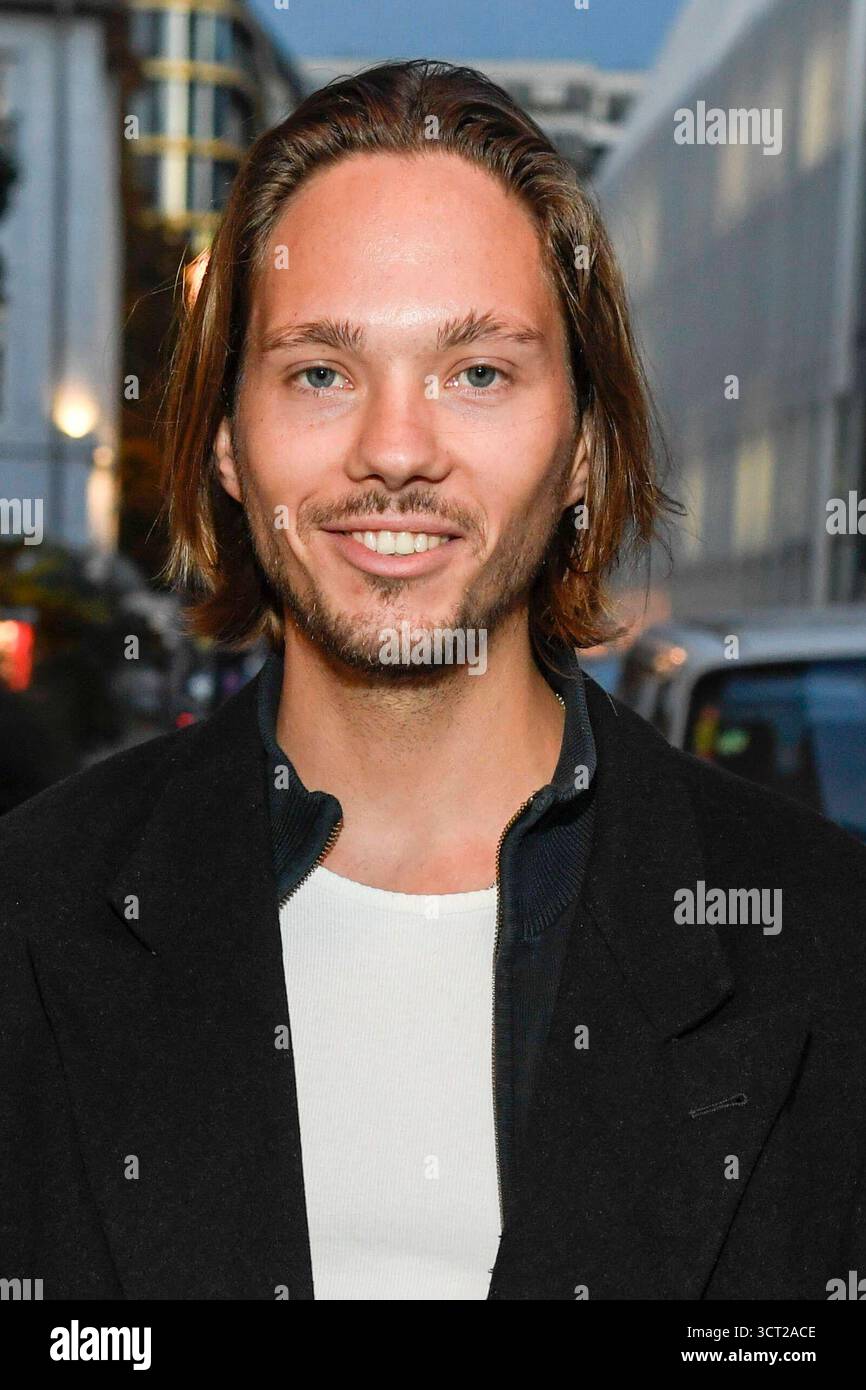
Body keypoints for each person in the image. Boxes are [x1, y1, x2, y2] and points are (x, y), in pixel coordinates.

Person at [2, 60, 865, 1302]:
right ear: (231, 446)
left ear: (582, 447)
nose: (394, 451)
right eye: (318, 371)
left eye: (477, 372)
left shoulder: (824, 947)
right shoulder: (31, 917)